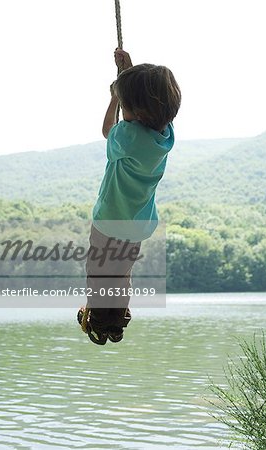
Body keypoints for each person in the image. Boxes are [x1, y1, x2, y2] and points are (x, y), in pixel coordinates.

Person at [77, 49, 181, 345]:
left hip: (110, 218)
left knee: (98, 272)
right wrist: (127, 73)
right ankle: (116, 321)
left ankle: (98, 320)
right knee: (120, 273)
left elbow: (107, 129)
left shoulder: (128, 136)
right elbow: (147, 105)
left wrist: (113, 97)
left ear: (135, 109)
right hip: (138, 223)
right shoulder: (166, 136)